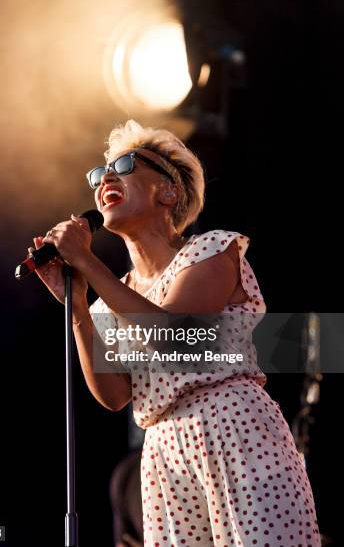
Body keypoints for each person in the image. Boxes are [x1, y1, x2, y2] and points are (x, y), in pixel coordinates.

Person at [30, 120, 321, 546]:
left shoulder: (212, 250)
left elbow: (175, 339)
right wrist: (75, 305)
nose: (106, 178)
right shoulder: (118, 295)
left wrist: (87, 264)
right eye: (100, 173)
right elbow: (114, 396)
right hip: (163, 450)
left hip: (233, 429)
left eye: (125, 165)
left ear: (168, 192)